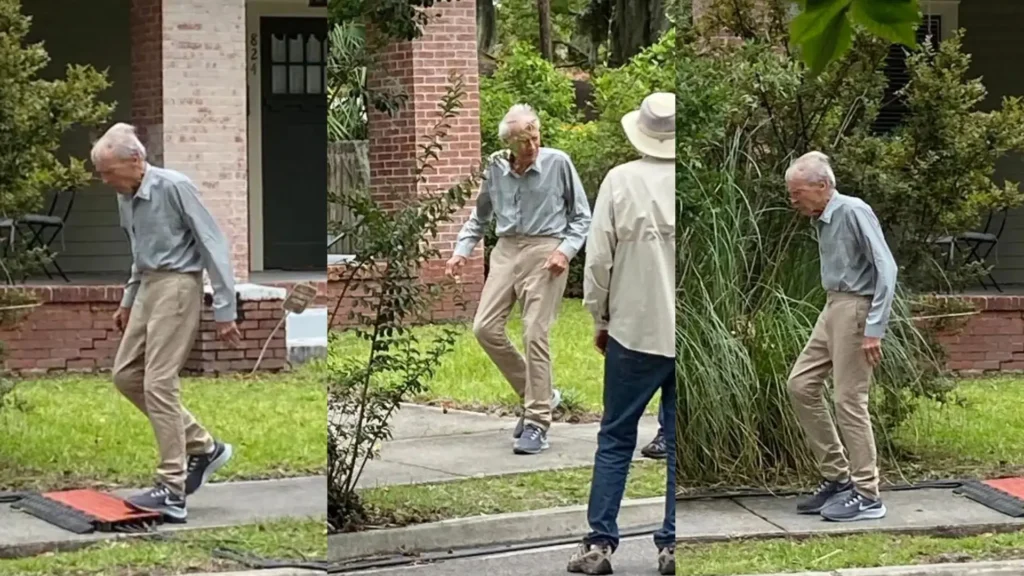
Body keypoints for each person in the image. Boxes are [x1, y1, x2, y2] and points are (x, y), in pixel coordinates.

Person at [91, 123, 240, 522]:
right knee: (125, 376)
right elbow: (139, 253)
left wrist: (225, 308)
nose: (105, 181)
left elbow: (213, 243)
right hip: (148, 287)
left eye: (109, 171)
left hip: (178, 286)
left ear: (135, 160)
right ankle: (204, 447)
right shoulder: (127, 196)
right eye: (101, 173)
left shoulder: (174, 186)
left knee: (158, 382)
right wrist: (128, 298)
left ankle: (172, 489)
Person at [567, 92, 677, 576]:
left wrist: (600, 317)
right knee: (678, 444)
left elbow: (597, 261)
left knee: (616, 437)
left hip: (635, 329)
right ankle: (672, 545)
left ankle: (599, 543)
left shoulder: (620, 181)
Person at [446, 104, 592, 456]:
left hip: (546, 252)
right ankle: (540, 396)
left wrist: (565, 251)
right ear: (509, 142)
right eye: (524, 141)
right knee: (484, 329)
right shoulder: (495, 166)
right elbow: (480, 217)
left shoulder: (558, 163)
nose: (532, 146)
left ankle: (538, 421)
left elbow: (582, 217)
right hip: (506, 251)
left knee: (534, 333)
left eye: (535, 137)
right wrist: (461, 250)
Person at [784, 151, 897, 523]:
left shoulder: (852, 211)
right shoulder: (823, 217)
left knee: (849, 399)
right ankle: (837, 476)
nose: (793, 198)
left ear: (822, 186)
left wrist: (874, 328)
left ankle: (868, 493)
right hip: (832, 306)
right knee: (800, 385)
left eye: (798, 191)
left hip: (856, 309)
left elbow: (886, 266)